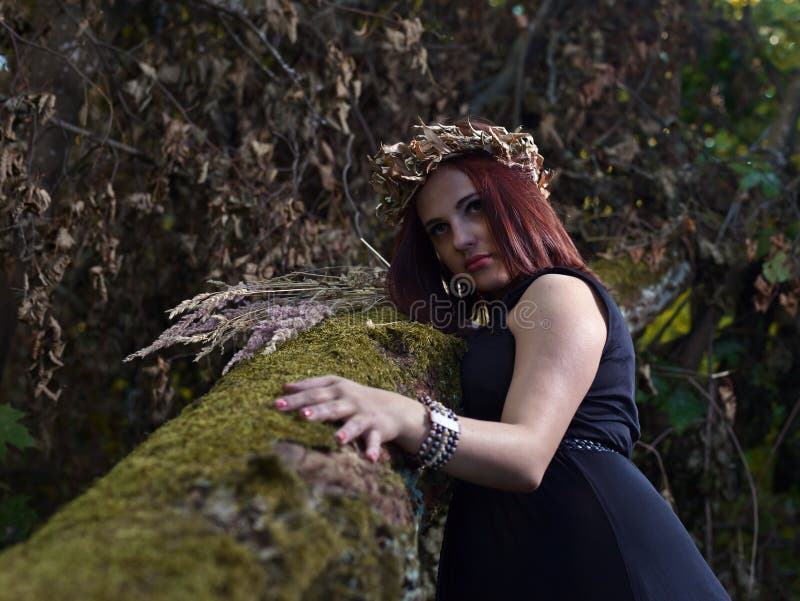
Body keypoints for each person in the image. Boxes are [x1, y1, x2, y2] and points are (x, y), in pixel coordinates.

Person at [273, 118, 731, 600]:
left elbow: (528, 455)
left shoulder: (557, 292)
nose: (461, 239)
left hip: (599, 554)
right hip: (515, 554)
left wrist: (408, 417)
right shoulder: (489, 317)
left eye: (475, 208)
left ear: (518, 204)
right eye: (439, 230)